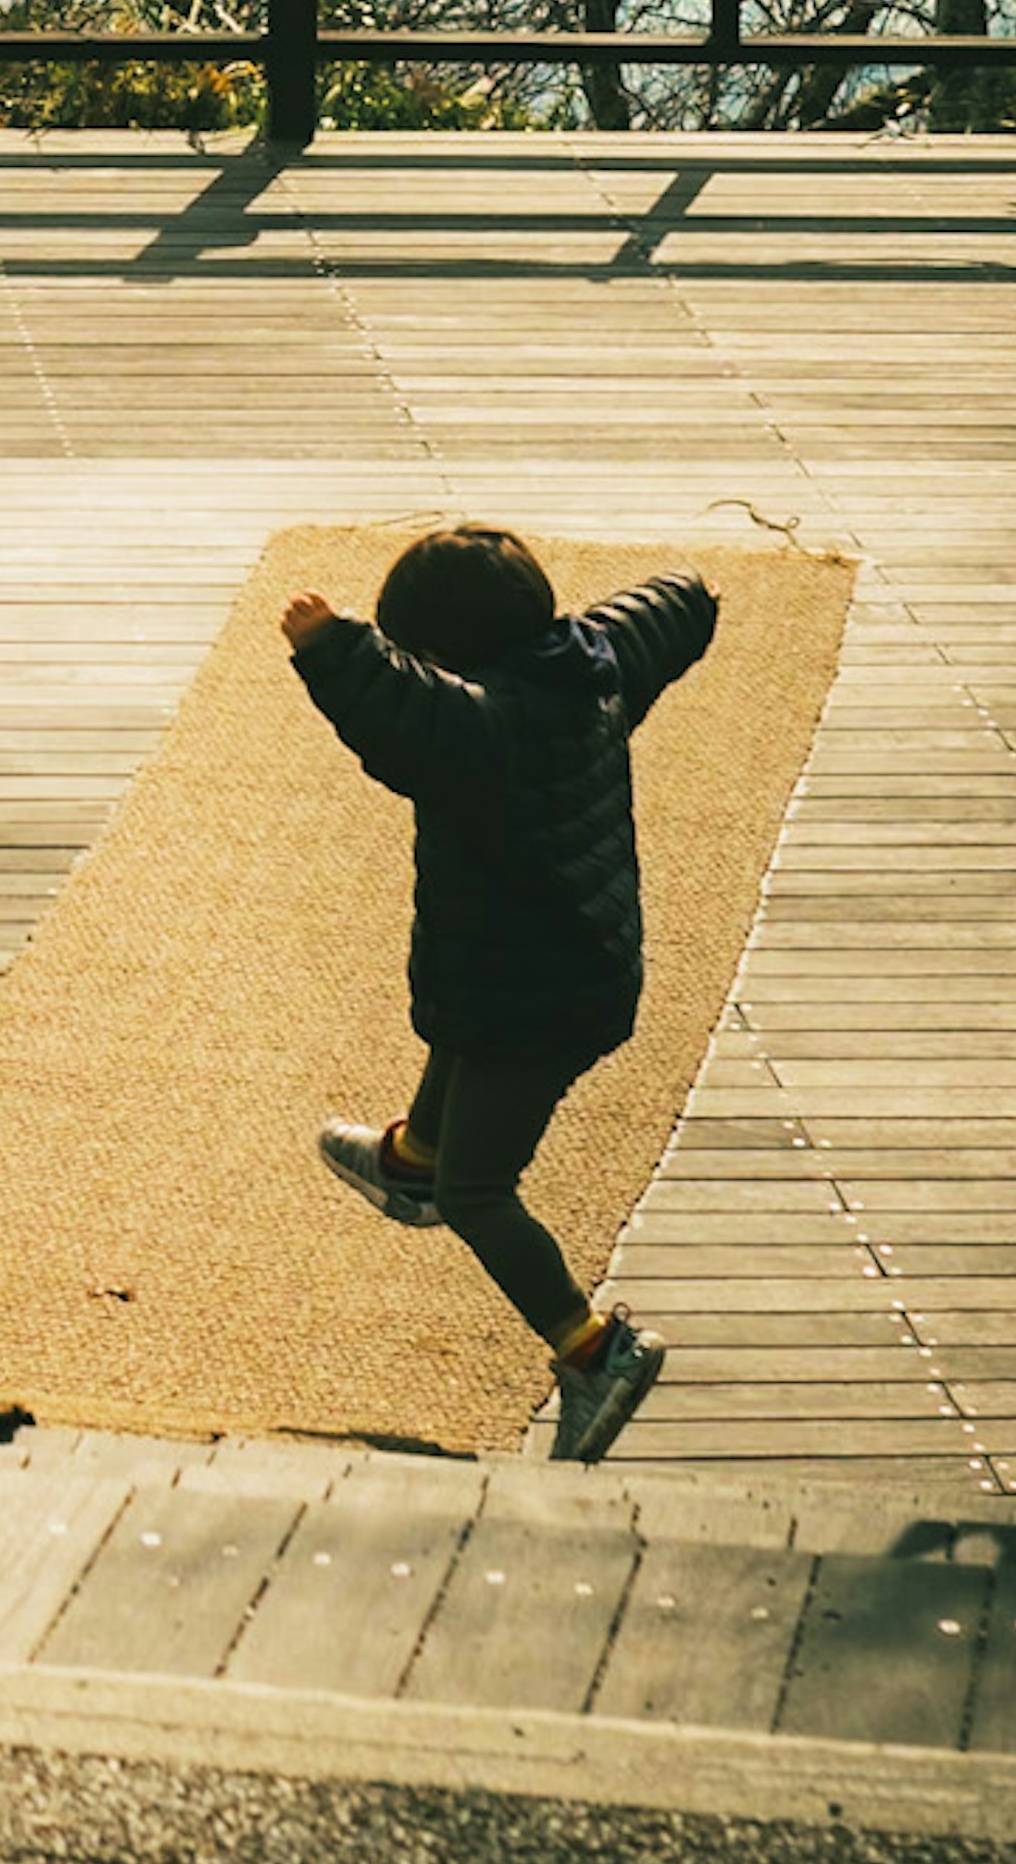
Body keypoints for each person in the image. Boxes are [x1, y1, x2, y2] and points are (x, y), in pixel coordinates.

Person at [287, 521, 718, 1470]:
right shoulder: (589, 668)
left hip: (536, 997)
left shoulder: (482, 728)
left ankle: (595, 1348)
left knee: (483, 1192)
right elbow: (659, 616)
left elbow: (403, 710)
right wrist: (695, 591)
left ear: (442, 656)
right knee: (459, 1040)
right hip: (556, 967)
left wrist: (334, 643)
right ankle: (410, 1161)